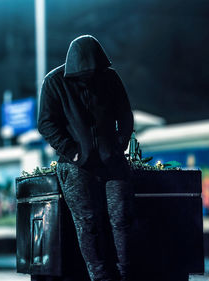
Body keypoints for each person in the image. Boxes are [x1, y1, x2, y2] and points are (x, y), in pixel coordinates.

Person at [37, 35, 135, 281]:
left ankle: (125, 276)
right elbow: (46, 123)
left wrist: (119, 144)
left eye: (95, 72)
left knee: (121, 219)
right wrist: (73, 152)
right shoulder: (54, 82)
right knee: (88, 224)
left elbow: (125, 113)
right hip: (76, 166)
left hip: (112, 161)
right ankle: (101, 278)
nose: (91, 78)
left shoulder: (109, 77)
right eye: (85, 74)